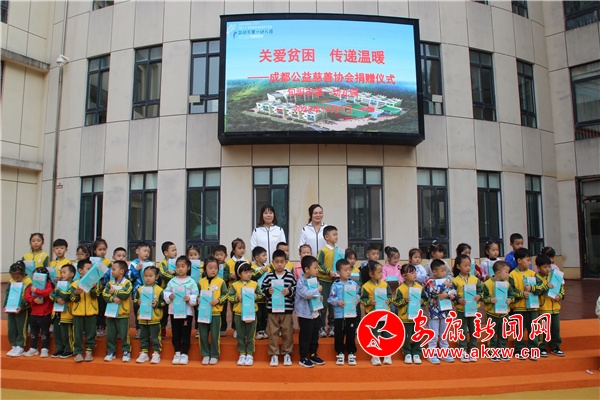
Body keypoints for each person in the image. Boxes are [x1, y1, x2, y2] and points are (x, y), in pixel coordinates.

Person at [508, 247, 545, 360]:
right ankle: (519, 349)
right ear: (519, 261)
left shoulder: (533, 274)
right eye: (528, 260)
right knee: (519, 330)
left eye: (530, 260)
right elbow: (511, 291)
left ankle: (533, 349)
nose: (530, 263)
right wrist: (521, 294)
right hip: (519, 308)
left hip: (532, 307)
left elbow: (541, 287)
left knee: (533, 329)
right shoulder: (512, 275)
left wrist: (532, 288)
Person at [261, 249, 296, 367]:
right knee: (272, 332)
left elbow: (296, 289)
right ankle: (274, 354)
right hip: (272, 310)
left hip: (287, 310)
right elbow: (262, 289)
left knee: (287, 332)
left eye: (282, 262)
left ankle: (287, 353)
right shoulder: (269, 276)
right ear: (272, 263)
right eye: (277, 262)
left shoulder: (290, 276)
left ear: (286, 262)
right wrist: (268, 291)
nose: (279, 264)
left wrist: (289, 292)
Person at [164, 256, 198, 365]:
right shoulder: (172, 281)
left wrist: (190, 298)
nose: (180, 269)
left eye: (183, 266)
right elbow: (166, 292)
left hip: (186, 312)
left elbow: (196, 295)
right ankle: (177, 352)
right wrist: (169, 296)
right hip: (174, 311)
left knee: (185, 332)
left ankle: (185, 353)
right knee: (175, 332)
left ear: (188, 267)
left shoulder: (191, 282)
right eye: (178, 266)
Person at [228, 261, 263, 366]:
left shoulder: (254, 284)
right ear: (239, 274)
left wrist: (256, 297)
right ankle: (242, 353)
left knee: (251, 334)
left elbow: (261, 295)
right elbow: (230, 297)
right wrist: (237, 298)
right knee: (240, 334)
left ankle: (250, 354)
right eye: (246, 272)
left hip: (251, 313)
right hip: (239, 314)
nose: (249, 274)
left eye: (250, 272)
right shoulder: (235, 285)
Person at [422, 259, 456, 364]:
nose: (444, 273)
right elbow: (432, 292)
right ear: (434, 272)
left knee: (444, 333)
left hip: (445, 312)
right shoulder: (429, 282)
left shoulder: (447, 281)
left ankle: (444, 352)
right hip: (434, 313)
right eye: (442, 271)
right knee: (434, 333)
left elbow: (454, 292)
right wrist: (444, 286)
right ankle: (431, 353)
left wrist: (448, 294)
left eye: (445, 270)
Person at [328, 258, 360, 366]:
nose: (348, 272)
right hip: (339, 315)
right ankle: (340, 352)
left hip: (351, 313)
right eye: (345, 270)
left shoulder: (353, 283)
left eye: (349, 270)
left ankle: (351, 353)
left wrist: (357, 299)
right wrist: (338, 301)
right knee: (339, 334)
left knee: (351, 333)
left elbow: (357, 294)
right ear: (338, 272)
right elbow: (330, 298)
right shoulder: (335, 285)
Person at [360, 260, 392, 366]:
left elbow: (390, 296)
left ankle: (387, 354)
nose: (381, 274)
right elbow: (362, 299)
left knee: (386, 333)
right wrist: (370, 302)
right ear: (371, 274)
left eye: (381, 272)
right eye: (379, 272)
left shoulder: (385, 284)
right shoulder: (366, 286)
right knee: (375, 334)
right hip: (372, 314)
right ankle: (375, 355)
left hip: (385, 313)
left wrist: (389, 300)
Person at [452, 254, 483, 363]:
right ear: (458, 266)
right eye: (465, 265)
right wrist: (458, 299)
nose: (468, 268)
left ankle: (473, 349)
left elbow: (481, 291)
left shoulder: (475, 279)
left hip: (473, 309)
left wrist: (479, 296)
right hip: (461, 310)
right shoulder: (455, 281)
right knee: (463, 331)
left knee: (474, 330)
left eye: (469, 265)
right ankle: (463, 350)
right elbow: (452, 294)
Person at [393, 263, 426, 365]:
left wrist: (422, 301)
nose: (415, 274)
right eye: (412, 273)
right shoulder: (400, 289)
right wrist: (404, 300)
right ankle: (407, 353)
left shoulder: (419, 287)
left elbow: (425, 299)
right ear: (404, 275)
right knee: (406, 337)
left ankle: (416, 353)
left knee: (417, 336)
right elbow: (396, 302)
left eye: (415, 272)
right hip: (405, 318)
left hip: (417, 318)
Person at [295, 255, 325, 368]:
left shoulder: (314, 280)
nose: (317, 270)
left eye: (317, 268)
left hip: (315, 313)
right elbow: (306, 294)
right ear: (307, 269)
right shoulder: (301, 282)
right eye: (315, 268)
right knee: (305, 335)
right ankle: (303, 357)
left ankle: (313, 354)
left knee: (314, 335)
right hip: (305, 314)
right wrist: (317, 290)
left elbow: (315, 295)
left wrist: (320, 297)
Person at [482, 261, 514, 362]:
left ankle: (502, 350)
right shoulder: (487, 284)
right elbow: (483, 297)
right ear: (498, 272)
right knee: (492, 333)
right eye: (506, 272)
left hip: (504, 313)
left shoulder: (507, 284)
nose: (508, 275)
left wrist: (510, 300)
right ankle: (492, 351)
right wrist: (490, 300)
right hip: (492, 314)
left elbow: (512, 295)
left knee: (503, 333)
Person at [71, 259, 102, 363]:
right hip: (78, 313)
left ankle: (89, 351)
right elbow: (72, 299)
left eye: (91, 269)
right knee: (77, 334)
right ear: (80, 270)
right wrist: (76, 293)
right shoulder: (74, 284)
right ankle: (78, 352)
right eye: (88, 269)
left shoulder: (95, 283)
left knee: (91, 332)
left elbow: (96, 295)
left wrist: (92, 288)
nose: (90, 271)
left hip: (91, 311)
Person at [198, 256, 227, 365]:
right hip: (203, 313)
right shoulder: (201, 282)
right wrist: (198, 299)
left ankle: (214, 355)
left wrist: (218, 300)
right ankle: (205, 354)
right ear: (205, 269)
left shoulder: (221, 282)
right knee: (203, 335)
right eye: (210, 268)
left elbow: (225, 295)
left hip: (215, 313)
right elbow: (197, 295)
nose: (213, 270)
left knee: (215, 335)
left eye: (215, 268)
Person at [102, 260, 133, 362]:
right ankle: (110, 351)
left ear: (122, 271)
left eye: (114, 269)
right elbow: (105, 294)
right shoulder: (109, 283)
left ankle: (126, 351)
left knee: (124, 334)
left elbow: (126, 294)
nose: (112, 271)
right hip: (110, 313)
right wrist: (112, 298)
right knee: (110, 334)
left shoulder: (127, 283)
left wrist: (115, 291)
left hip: (122, 314)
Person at [535, 255, 565, 357]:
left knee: (555, 329)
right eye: (545, 267)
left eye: (549, 266)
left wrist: (560, 296)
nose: (547, 269)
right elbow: (537, 291)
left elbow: (561, 289)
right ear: (538, 267)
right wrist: (546, 286)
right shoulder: (536, 278)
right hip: (543, 309)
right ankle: (541, 347)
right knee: (543, 329)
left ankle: (555, 346)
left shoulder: (554, 276)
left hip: (555, 308)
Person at [135, 266, 165, 364]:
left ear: (156, 277)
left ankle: (156, 353)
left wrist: (157, 304)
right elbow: (135, 300)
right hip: (143, 318)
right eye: (146, 276)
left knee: (155, 336)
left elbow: (164, 303)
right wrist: (138, 302)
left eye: (150, 276)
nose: (148, 278)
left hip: (154, 318)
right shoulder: (140, 289)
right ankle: (144, 353)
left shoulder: (159, 290)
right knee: (143, 336)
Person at [4, 261, 33, 357]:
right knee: (11, 327)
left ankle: (20, 346)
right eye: (13, 275)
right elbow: (7, 293)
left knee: (21, 327)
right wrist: (5, 305)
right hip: (11, 308)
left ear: (23, 273)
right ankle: (13, 345)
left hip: (23, 309)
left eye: (18, 276)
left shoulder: (28, 282)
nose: (15, 278)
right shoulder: (11, 281)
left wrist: (22, 306)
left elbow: (28, 296)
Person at [24, 267, 54, 357]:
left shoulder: (49, 284)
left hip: (45, 314)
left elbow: (48, 292)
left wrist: (37, 291)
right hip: (34, 313)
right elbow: (26, 295)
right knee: (33, 332)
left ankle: (45, 348)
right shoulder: (32, 285)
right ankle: (33, 348)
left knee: (45, 332)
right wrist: (33, 299)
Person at [316, 225, 340, 338]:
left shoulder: (338, 251)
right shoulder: (323, 251)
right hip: (324, 281)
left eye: (337, 234)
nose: (336, 237)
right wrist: (328, 271)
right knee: (323, 305)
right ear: (326, 237)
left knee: (333, 305)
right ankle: (321, 327)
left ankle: (332, 326)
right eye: (334, 235)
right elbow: (318, 264)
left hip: (335, 282)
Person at [49, 264, 76, 358]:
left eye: (64, 272)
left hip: (67, 313)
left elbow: (67, 295)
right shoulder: (59, 284)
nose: (62, 274)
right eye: (61, 273)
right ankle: (59, 348)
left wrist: (58, 291)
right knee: (57, 332)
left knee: (66, 333)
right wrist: (56, 299)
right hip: (57, 312)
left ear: (72, 274)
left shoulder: (73, 285)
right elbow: (51, 294)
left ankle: (68, 349)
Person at [129, 241, 153, 339]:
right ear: (137, 251)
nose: (147, 253)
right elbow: (129, 277)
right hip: (137, 292)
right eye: (144, 251)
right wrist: (136, 270)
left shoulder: (150, 264)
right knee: (137, 309)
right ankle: (139, 329)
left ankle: (148, 330)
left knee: (148, 308)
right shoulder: (133, 264)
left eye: (148, 251)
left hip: (149, 291)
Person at [92, 238, 112, 339]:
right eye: (100, 249)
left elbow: (110, 274)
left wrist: (103, 275)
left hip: (103, 289)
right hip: (92, 288)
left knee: (102, 308)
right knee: (94, 308)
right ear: (95, 250)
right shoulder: (91, 261)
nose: (102, 252)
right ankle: (93, 326)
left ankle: (102, 326)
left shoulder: (107, 262)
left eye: (104, 249)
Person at [158, 241, 178, 339]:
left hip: (176, 291)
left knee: (175, 311)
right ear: (166, 253)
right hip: (164, 290)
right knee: (164, 311)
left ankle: (176, 331)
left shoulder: (177, 262)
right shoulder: (162, 263)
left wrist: (175, 272)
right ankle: (162, 329)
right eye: (173, 250)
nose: (175, 252)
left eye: (176, 250)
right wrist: (176, 278)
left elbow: (181, 271)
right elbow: (163, 274)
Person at [251, 246, 270, 340]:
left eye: (266, 255)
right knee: (258, 314)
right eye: (264, 255)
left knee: (265, 314)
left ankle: (263, 330)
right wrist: (262, 270)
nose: (266, 257)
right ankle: (258, 330)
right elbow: (253, 277)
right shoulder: (252, 268)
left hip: (265, 296)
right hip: (257, 295)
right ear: (257, 257)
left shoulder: (267, 268)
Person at [212, 244, 231, 337]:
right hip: (214, 292)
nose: (219, 257)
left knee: (223, 311)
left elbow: (228, 276)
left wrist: (223, 276)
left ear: (225, 255)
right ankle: (213, 327)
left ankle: (223, 328)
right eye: (216, 255)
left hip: (223, 291)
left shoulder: (226, 266)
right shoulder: (212, 265)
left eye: (221, 255)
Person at [186, 244, 202, 339]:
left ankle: (198, 328)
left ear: (199, 255)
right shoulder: (186, 267)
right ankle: (185, 328)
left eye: (195, 255)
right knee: (188, 310)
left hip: (198, 291)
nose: (193, 257)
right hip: (188, 291)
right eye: (190, 255)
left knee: (198, 310)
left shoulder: (202, 267)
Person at [382, 246, 403, 313]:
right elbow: (383, 278)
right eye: (394, 258)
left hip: (398, 294)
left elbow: (402, 276)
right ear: (388, 258)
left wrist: (400, 281)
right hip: (388, 294)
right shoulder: (384, 268)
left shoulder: (399, 267)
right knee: (392, 310)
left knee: (398, 310)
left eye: (397, 258)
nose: (396, 260)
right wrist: (387, 282)